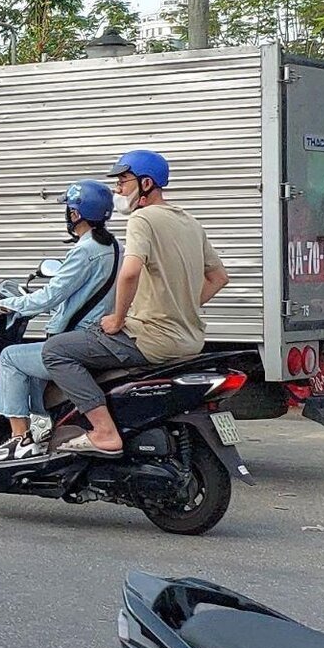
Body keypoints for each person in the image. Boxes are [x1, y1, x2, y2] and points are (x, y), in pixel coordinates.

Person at [43, 150, 230, 455]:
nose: (118, 189)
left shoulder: (143, 218)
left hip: (151, 338)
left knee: (56, 351)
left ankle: (103, 431)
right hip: (191, 340)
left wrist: (117, 318)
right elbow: (219, 277)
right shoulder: (190, 222)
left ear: (145, 183)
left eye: (123, 180)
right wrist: (182, 306)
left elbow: (130, 272)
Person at [0, 180, 121, 461]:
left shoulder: (84, 250)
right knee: (27, 363)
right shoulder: (115, 246)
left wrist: (2, 304)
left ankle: (19, 438)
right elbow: (79, 296)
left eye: (69, 208)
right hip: (94, 334)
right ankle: (41, 430)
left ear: (76, 214)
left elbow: (49, 296)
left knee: (10, 357)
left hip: (74, 341)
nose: (67, 214)